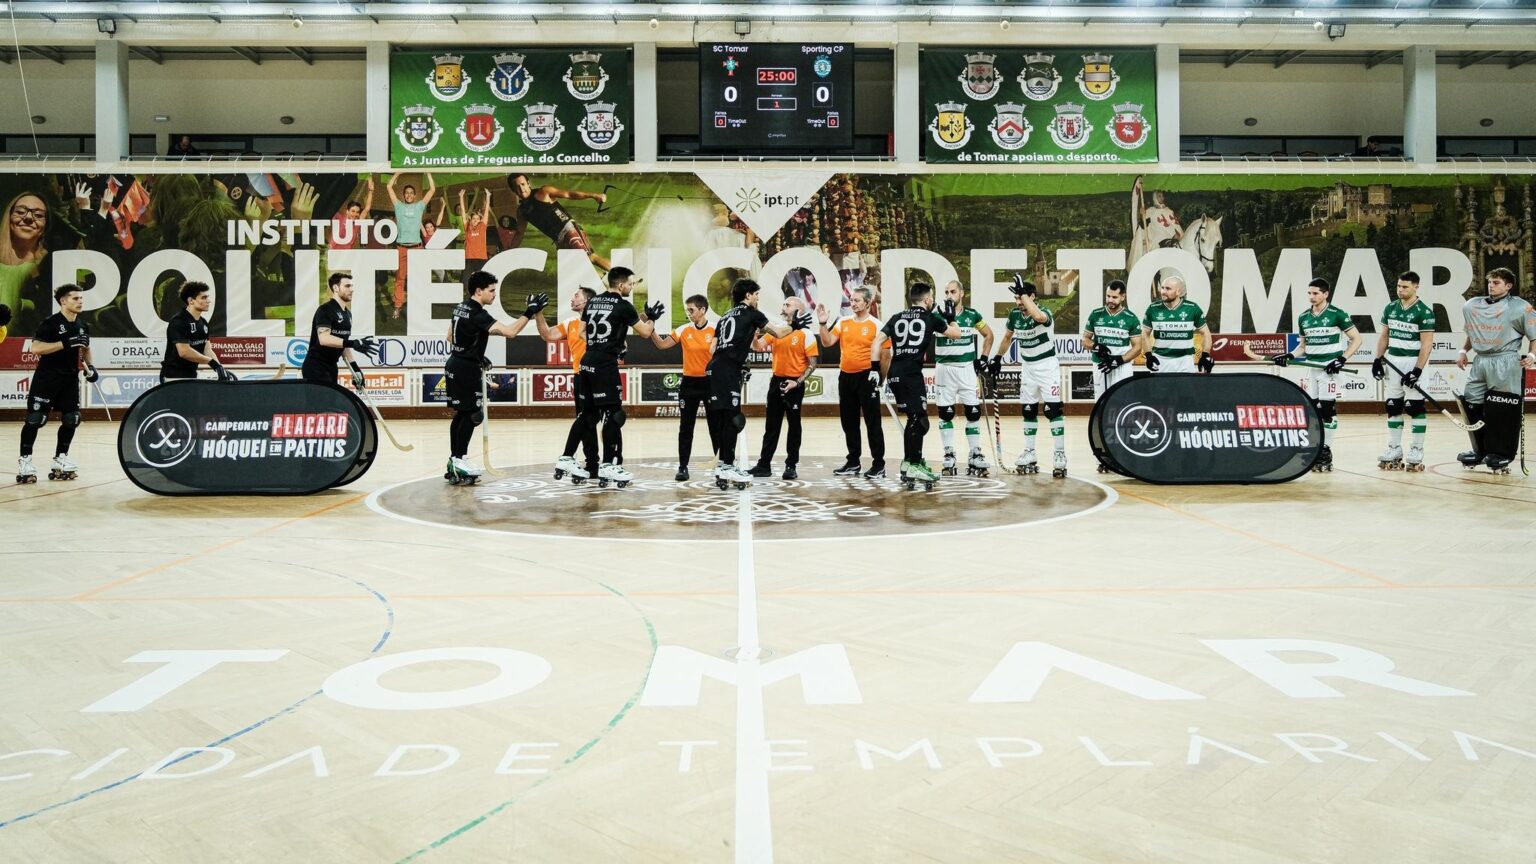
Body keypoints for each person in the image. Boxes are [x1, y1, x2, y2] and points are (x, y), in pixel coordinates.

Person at [442, 271, 548, 484]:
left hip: (456, 362)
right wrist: (529, 312)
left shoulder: (460, 307)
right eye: (491, 291)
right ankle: (459, 459)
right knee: (473, 415)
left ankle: (455, 460)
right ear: (478, 291)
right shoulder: (478, 313)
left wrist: (475, 353)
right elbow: (510, 332)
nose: (494, 295)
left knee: (462, 414)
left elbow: (450, 336)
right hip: (466, 369)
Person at [707, 278, 805, 489]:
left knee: (724, 418)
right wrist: (795, 325)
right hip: (728, 370)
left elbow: (712, 348)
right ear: (748, 295)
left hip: (715, 368)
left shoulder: (724, 316)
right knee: (733, 418)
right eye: (757, 295)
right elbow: (778, 333)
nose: (758, 299)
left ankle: (723, 465)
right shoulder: (752, 314)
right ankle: (727, 466)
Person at [1265, 278, 1362, 472]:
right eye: (1309, 293)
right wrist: (1289, 355)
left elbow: (1357, 339)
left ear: (1326, 294)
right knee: (1314, 411)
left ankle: (1325, 450)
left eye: (1316, 293)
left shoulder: (1337, 314)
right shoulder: (1303, 317)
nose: (1312, 297)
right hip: (1312, 369)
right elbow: (1303, 346)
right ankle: (1316, 447)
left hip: (1330, 370)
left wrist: (1341, 359)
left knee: (1327, 410)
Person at [575, 267, 657, 487]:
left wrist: (603, 343)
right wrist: (652, 319)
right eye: (630, 284)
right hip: (605, 364)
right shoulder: (623, 305)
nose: (631, 287)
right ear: (620, 285)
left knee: (589, 413)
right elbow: (646, 333)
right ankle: (610, 464)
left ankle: (567, 458)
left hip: (587, 360)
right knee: (613, 413)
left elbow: (582, 333)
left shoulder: (592, 303)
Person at [880, 282, 962, 490]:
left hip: (895, 373)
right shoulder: (930, 318)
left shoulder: (897, 317)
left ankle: (909, 462)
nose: (933, 300)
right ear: (927, 300)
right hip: (911, 374)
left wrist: (874, 369)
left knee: (913, 420)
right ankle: (914, 464)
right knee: (920, 421)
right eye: (932, 297)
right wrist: (951, 318)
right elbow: (956, 334)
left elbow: (877, 341)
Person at [1455, 267, 1536, 473]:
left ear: (1509, 286)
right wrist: (1463, 351)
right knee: (1471, 402)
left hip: (1505, 360)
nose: (1491, 285)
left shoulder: (1520, 308)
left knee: (1503, 407)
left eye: (1496, 282)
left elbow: (1534, 336)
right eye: (1490, 281)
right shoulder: (1472, 305)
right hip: (1481, 360)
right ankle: (1481, 449)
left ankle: (1501, 452)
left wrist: (1532, 355)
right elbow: (1473, 332)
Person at [988, 276, 1068, 477]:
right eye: (1016, 299)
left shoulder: (1044, 312)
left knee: (1053, 410)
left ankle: (1060, 454)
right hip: (1028, 369)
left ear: (1032, 297)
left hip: (1047, 367)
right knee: (1028, 410)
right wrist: (997, 357)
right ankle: (1030, 452)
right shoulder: (1015, 315)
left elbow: (1039, 317)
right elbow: (1007, 337)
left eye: (1021, 299)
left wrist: (1025, 297)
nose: (1018, 303)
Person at [16, 284, 95, 483]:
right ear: (63, 301)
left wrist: (91, 368)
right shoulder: (50, 323)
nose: (80, 302)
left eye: (81, 298)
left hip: (69, 379)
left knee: (72, 418)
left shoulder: (82, 325)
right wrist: (64, 343)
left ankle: (60, 459)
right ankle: (25, 462)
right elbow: (36, 348)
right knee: (36, 419)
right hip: (47, 379)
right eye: (75, 298)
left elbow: (85, 349)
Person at [816, 286, 886, 478]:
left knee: (873, 423)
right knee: (849, 422)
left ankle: (879, 464)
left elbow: (887, 353)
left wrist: (880, 376)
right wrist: (822, 324)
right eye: (851, 300)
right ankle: (853, 462)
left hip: (867, 377)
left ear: (868, 303)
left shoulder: (876, 325)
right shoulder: (843, 322)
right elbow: (827, 342)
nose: (852, 303)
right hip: (846, 377)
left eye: (857, 300)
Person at [1371, 271, 1436, 471]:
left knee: (1415, 407)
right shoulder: (1390, 307)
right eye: (1399, 286)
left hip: (1412, 362)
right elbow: (1384, 336)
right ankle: (1394, 449)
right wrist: (1377, 359)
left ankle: (1416, 449)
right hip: (1393, 362)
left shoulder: (1424, 312)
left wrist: (1417, 370)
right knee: (1393, 406)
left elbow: (1427, 344)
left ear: (1416, 286)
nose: (1400, 290)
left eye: (1405, 287)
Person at [750, 295, 819, 480]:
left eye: (787, 305)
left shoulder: (806, 334)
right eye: (783, 304)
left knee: (794, 426)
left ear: (798, 310)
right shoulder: (778, 330)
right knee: (771, 426)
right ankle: (764, 465)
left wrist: (797, 382)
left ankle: (791, 465)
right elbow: (757, 347)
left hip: (794, 384)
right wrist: (755, 337)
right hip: (776, 382)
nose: (783, 307)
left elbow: (812, 363)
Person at [649, 294, 716, 481]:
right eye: (687, 310)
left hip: (711, 383)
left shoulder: (716, 329)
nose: (689, 314)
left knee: (715, 426)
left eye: (692, 310)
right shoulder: (684, 330)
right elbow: (662, 345)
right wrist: (652, 327)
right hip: (689, 384)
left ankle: (722, 466)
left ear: (703, 310)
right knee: (686, 427)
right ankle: (683, 467)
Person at [933, 279, 995, 477]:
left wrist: (983, 358)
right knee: (946, 413)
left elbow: (989, 335)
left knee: (973, 412)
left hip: (967, 369)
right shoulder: (937, 316)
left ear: (961, 293)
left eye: (952, 291)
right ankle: (949, 453)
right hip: (945, 368)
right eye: (946, 292)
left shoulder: (972, 315)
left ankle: (975, 454)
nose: (949, 295)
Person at [1082, 279, 1143, 471]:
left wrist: (1119, 360)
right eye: (1108, 296)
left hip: (1121, 367)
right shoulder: (1096, 314)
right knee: (1101, 409)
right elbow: (1085, 339)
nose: (1110, 300)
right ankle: (1104, 455)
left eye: (1114, 297)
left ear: (1123, 297)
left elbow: (1138, 347)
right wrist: (1095, 346)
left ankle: (1123, 453)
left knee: (1122, 409)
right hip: (1100, 366)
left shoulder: (1131, 318)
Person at [535, 287, 596, 480]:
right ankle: (591, 464)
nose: (572, 299)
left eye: (576, 296)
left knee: (592, 420)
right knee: (586, 420)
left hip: (599, 375)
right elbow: (548, 335)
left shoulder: (598, 321)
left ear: (587, 301)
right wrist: (538, 313)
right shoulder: (570, 323)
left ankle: (583, 460)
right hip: (580, 376)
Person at [507, 174, 610, 272]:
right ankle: (602, 280)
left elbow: (569, 194)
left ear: (528, 183)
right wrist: (509, 252)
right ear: (513, 190)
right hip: (559, 240)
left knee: (590, 257)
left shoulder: (543, 192)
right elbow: (519, 233)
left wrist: (594, 195)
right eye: (517, 187)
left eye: (523, 184)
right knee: (572, 269)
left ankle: (623, 275)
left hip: (569, 230)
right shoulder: (522, 211)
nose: (521, 188)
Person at [301, 272, 379, 388]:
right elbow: (324, 339)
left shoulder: (348, 314)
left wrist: (355, 369)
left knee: (332, 404)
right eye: (347, 286)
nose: (351, 290)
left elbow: (342, 344)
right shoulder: (325, 310)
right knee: (321, 405)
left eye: (352, 286)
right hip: (316, 366)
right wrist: (353, 343)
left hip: (332, 366)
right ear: (336, 288)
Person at [160, 281, 234, 383]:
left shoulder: (203, 323)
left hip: (191, 375)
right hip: (172, 377)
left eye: (207, 297)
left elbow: (207, 350)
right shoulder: (178, 321)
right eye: (203, 298)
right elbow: (184, 352)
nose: (208, 301)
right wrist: (212, 362)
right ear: (191, 301)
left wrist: (220, 368)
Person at [1140, 275, 1213, 375]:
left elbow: (1206, 333)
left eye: (1168, 288)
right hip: (1160, 360)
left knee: (1184, 391)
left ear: (1178, 292)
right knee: (1160, 391)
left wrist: (1205, 355)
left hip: (1185, 361)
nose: (1163, 291)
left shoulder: (1192, 308)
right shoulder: (1153, 308)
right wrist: (1148, 356)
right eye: (1162, 288)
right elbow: (1145, 334)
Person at [386, 172, 436, 320]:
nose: (409, 195)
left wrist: (427, 173)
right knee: (400, 278)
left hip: (417, 248)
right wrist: (398, 173)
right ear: (404, 195)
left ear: (414, 196)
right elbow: (389, 186)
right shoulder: (398, 206)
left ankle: (419, 306)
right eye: (406, 193)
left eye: (411, 193)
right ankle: (397, 306)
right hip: (401, 247)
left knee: (418, 278)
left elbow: (432, 190)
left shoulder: (419, 206)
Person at [459, 187, 492, 288]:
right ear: (471, 220)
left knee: (482, 284)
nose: (475, 220)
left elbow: (486, 212)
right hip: (469, 258)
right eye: (473, 218)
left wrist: (488, 196)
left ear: (480, 220)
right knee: (465, 282)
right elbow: (463, 213)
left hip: (481, 258)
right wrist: (461, 197)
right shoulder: (467, 226)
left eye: (477, 219)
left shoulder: (482, 227)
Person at [329, 178, 374, 251]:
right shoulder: (338, 217)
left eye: (357, 212)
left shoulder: (357, 222)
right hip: (332, 253)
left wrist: (371, 190)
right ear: (347, 211)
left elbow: (367, 208)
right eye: (353, 211)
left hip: (345, 256)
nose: (355, 214)